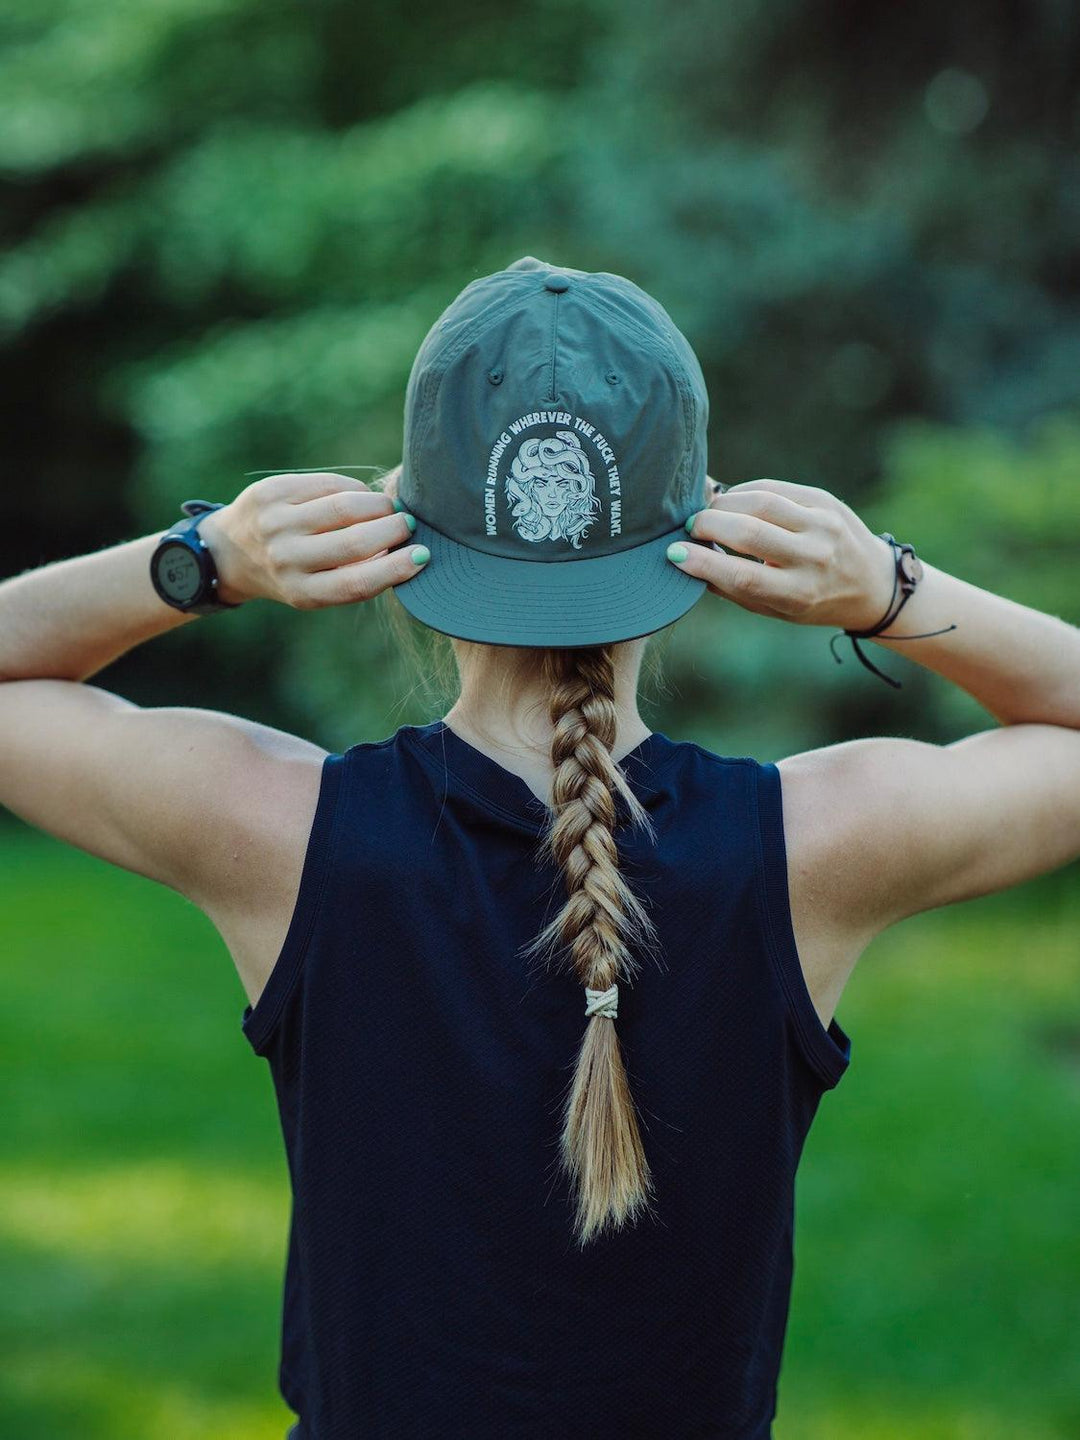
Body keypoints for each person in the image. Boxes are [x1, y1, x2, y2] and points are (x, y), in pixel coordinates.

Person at [1, 255, 1078, 1440]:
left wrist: (201, 562)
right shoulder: (816, 846)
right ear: (700, 521)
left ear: (402, 515)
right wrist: (888, 587)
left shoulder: (276, 830)